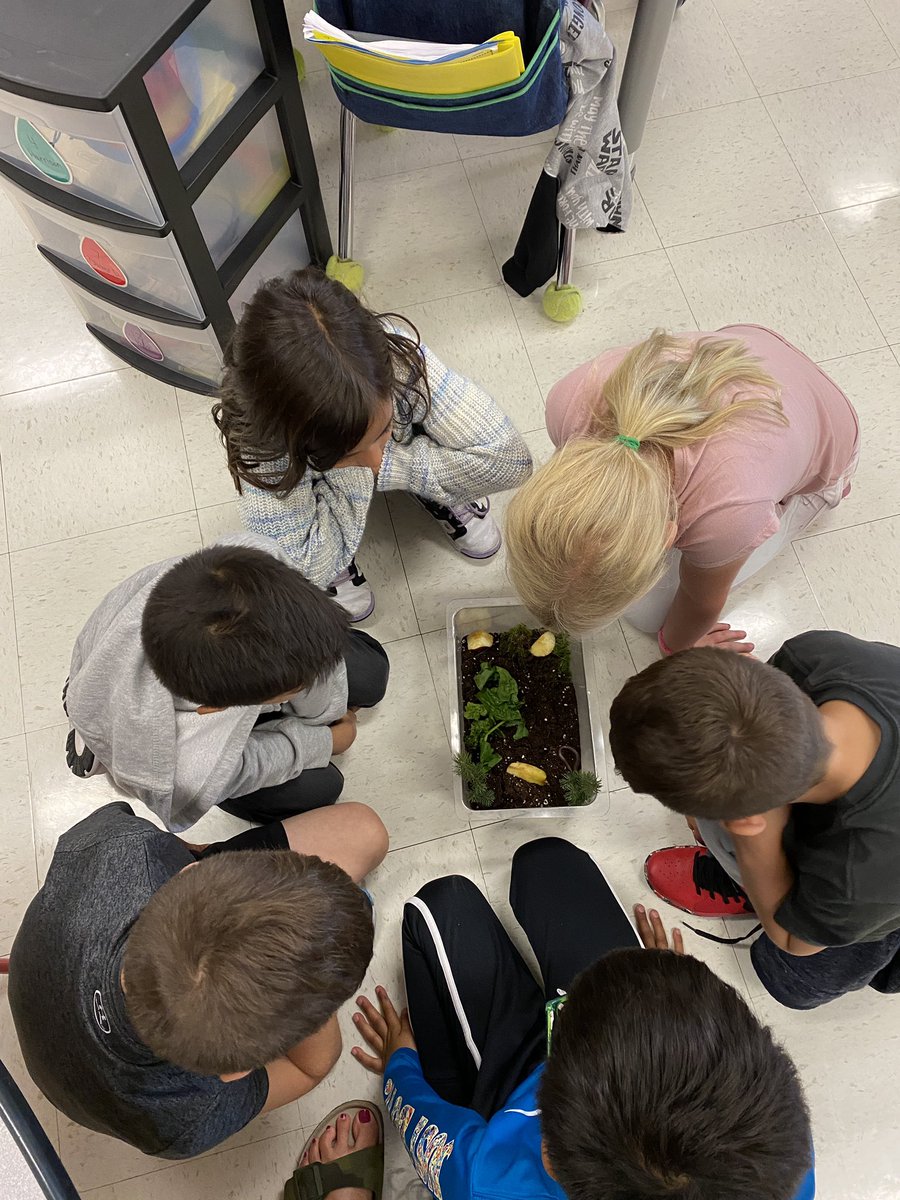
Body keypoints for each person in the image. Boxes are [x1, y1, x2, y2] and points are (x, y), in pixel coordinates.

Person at [347, 837, 816, 1200]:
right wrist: (675, 999)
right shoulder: (775, 1155)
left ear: (551, 1153)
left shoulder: (490, 1180)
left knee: (439, 906)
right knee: (548, 861)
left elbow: (424, 1130)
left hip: (513, 1093)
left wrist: (401, 1067)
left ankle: (457, 1074)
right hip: (614, 1053)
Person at [7, 800, 387, 1159]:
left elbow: (170, 845)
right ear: (234, 1073)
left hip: (41, 969)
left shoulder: (129, 849)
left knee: (364, 833)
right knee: (366, 836)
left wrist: (299, 978)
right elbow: (311, 1065)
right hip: (37, 976)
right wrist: (309, 985)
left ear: (189, 872)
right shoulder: (189, 1118)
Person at [505, 325, 858, 649]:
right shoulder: (567, 402)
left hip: (832, 435)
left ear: (667, 537)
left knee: (647, 617)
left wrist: (675, 649)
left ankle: (829, 492)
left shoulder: (729, 514)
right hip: (749, 345)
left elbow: (702, 601)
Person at [213, 268, 533, 621]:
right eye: (349, 454)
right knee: (308, 565)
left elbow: (510, 460)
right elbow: (304, 565)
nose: (377, 459)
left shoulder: (396, 359)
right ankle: (341, 527)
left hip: (362, 451)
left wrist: (387, 465)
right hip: (309, 473)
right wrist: (355, 474)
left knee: (431, 436)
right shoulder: (260, 439)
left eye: (380, 434)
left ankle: (429, 489)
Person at [609, 631, 900, 1010]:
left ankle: (763, 891)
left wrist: (754, 844)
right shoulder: (815, 655)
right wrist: (701, 679)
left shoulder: (857, 877)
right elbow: (741, 731)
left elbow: (795, 942)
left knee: (790, 977)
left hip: (879, 899)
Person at [63, 534, 388, 830]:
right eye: (292, 688)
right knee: (323, 787)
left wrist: (322, 710)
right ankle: (95, 730)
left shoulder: (255, 560)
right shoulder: (188, 769)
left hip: (133, 660)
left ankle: (90, 709)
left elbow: (307, 661)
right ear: (215, 708)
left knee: (372, 674)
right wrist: (328, 740)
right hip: (145, 723)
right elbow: (251, 763)